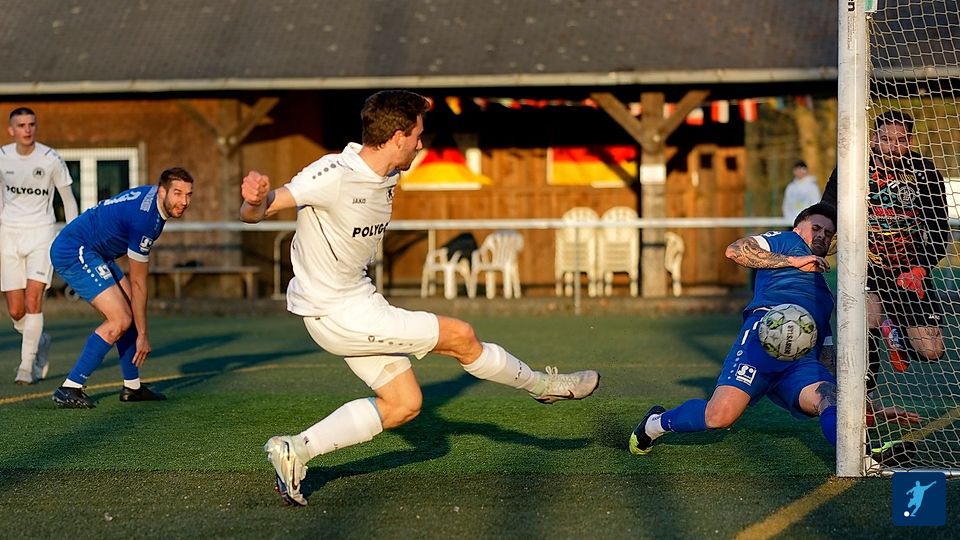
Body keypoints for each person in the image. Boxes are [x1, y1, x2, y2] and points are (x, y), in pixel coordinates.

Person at [240, 90, 600, 507]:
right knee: (461, 336)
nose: (421, 143)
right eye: (417, 135)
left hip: (359, 302)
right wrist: (255, 200)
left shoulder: (388, 173)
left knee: (404, 404)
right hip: (336, 312)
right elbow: (258, 212)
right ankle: (546, 386)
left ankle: (296, 449)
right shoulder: (333, 173)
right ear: (397, 137)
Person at [630, 204, 840, 456]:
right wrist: (793, 262)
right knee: (719, 417)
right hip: (762, 342)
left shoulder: (825, 294)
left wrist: (836, 385)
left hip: (801, 361)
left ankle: (862, 459)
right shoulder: (788, 242)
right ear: (797, 228)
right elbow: (736, 250)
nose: (821, 235)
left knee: (829, 397)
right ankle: (654, 424)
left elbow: (825, 347)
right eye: (816, 228)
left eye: (828, 233)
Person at [48, 167, 194, 408]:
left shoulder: (153, 202)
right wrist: (143, 336)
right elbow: (138, 282)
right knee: (120, 320)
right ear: (162, 191)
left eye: (188, 194)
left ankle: (132, 387)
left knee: (130, 312)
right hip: (75, 250)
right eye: (177, 193)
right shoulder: (146, 220)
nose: (184, 201)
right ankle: (69, 387)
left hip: (97, 252)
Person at [822, 110, 949, 382]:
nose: (893, 146)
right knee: (864, 328)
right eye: (886, 139)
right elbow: (827, 209)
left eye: (900, 140)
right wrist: (815, 241)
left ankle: (895, 330)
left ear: (910, 141)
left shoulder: (925, 172)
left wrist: (921, 269)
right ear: (872, 139)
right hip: (866, 265)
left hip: (908, 268)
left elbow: (939, 230)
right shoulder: (852, 168)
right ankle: (863, 397)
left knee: (932, 350)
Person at [0, 107, 79, 385]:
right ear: (11, 130)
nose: (27, 129)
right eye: (21, 125)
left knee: (33, 300)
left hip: (41, 233)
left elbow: (68, 199)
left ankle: (26, 365)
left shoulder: (50, 159)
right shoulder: (2, 157)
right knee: (15, 311)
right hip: (9, 234)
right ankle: (41, 340)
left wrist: (73, 234)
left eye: (31, 124)